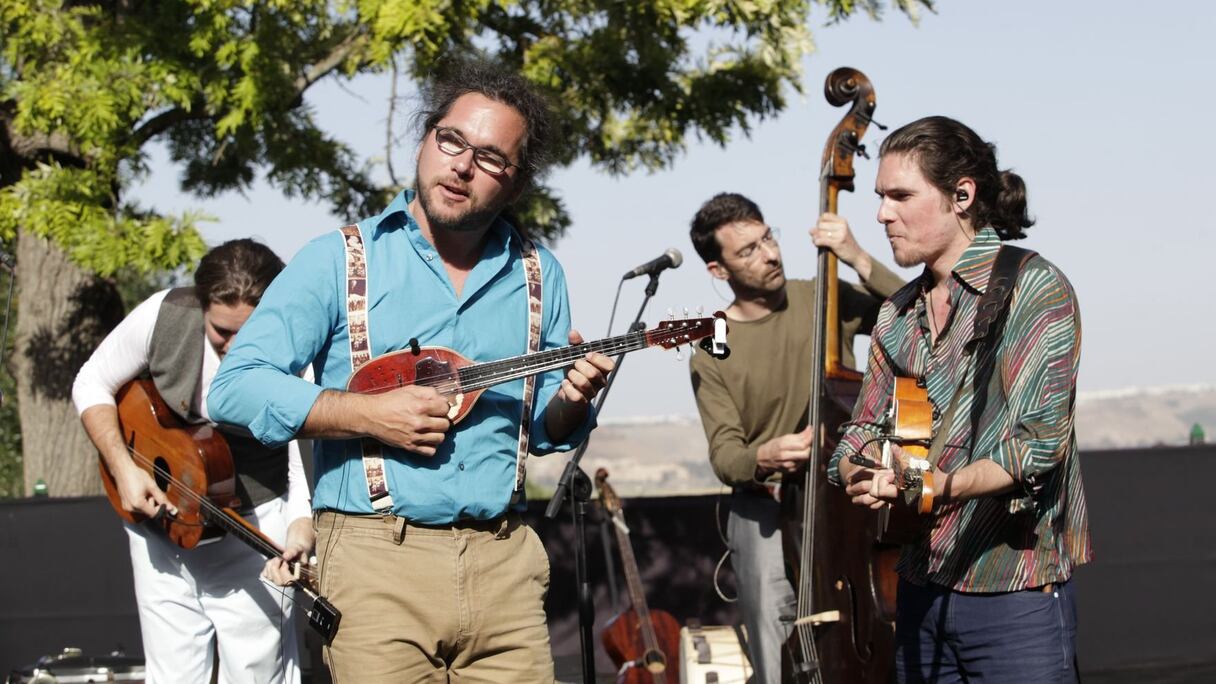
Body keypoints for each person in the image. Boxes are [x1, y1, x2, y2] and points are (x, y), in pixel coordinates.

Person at [207, 58, 614, 683]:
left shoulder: (539, 274)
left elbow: (543, 430)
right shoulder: (338, 259)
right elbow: (234, 388)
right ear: (425, 138)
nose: (461, 164)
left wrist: (574, 398)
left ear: (515, 181)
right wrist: (368, 414)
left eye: (490, 157)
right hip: (375, 565)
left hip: (506, 565)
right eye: (450, 139)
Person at [829, 116, 1092, 683]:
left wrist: (937, 486)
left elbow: (1035, 449)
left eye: (901, 196)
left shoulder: (1032, 287)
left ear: (962, 196)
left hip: (1012, 589)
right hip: (920, 586)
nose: (881, 214)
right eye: (879, 197)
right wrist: (861, 469)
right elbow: (858, 432)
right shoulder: (897, 314)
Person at [687, 192, 905, 684]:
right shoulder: (711, 345)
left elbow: (914, 314)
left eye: (769, 238)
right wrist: (762, 455)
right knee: (775, 655)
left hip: (845, 501)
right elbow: (725, 455)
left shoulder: (822, 296)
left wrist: (857, 256)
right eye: (748, 251)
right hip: (765, 508)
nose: (769, 254)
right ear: (718, 271)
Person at [72, 238, 311, 684]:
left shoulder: (296, 341)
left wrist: (302, 522)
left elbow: (305, 444)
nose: (237, 346)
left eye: (251, 331)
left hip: (253, 523)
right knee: (172, 674)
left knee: (258, 672)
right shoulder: (163, 314)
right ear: (201, 307)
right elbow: (92, 382)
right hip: (160, 529)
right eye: (222, 332)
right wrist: (124, 468)